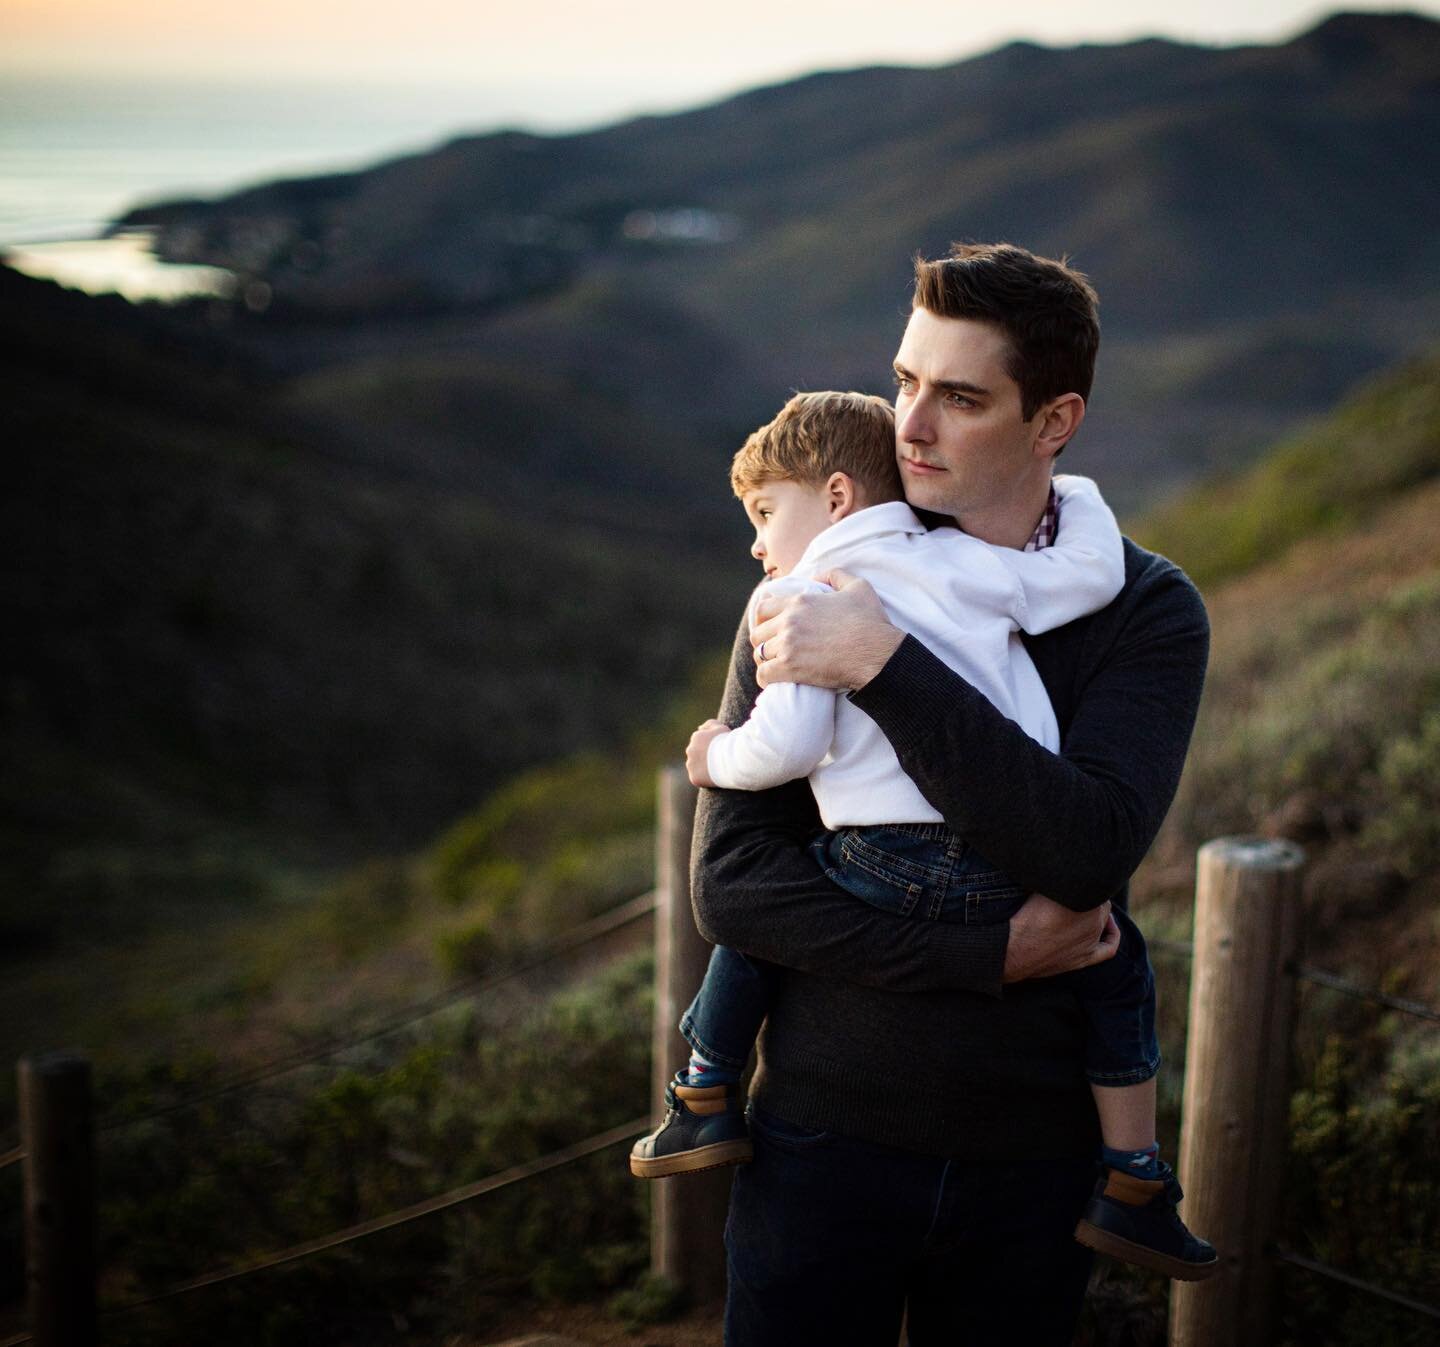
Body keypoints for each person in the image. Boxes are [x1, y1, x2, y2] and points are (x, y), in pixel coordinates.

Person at [683, 243, 1212, 1344]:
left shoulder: (1145, 611)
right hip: (822, 1138)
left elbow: (1083, 852)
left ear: (1053, 422)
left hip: (1035, 1161)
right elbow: (736, 888)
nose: (910, 427)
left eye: (960, 398)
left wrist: (883, 664)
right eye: (905, 381)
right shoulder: (824, 568)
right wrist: (984, 956)